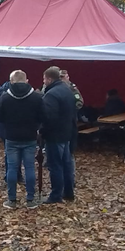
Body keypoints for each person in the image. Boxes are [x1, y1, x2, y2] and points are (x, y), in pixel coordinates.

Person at [0, 70, 45, 209]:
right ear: (26, 80)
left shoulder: (5, 97)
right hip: (29, 136)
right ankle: (30, 199)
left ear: (11, 81)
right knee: (29, 167)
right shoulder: (36, 97)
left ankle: (12, 199)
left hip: (11, 137)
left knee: (12, 168)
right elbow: (43, 117)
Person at [42, 66, 76, 204]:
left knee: (55, 165)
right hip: (67, 132)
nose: (43, 81)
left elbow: (49, 116)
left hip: (54, 135)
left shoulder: (51, 95)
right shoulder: (67, 90)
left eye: (44, 78)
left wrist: (43, 130)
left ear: (49, 79)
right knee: (66, 164)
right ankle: (68, 192)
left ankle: (56, 195)